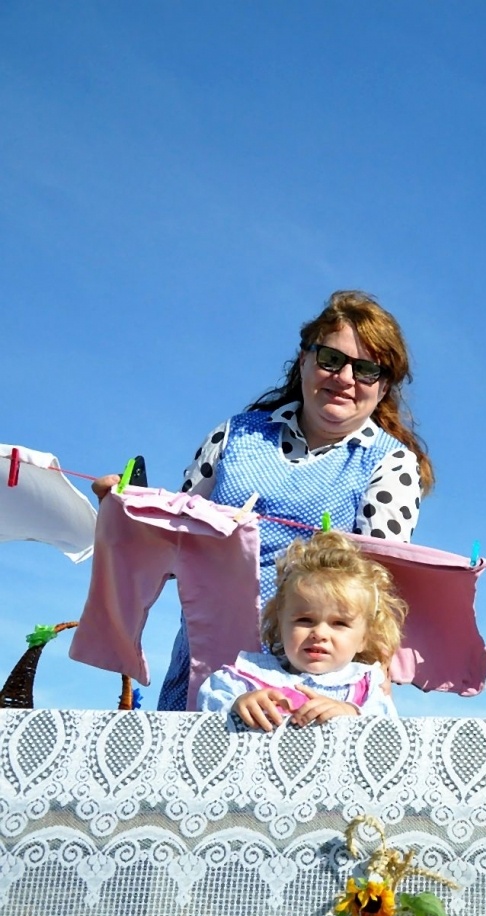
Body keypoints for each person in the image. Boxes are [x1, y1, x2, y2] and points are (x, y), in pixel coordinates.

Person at [94, 291, 431, 710]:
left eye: (365, 370)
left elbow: (377, 590)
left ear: (382, 388)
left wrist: (363, 704)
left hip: (320, 686)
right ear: (305, 360)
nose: (345, 378)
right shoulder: (233, 436)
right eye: (331, 359)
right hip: (212, 666)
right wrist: (126, 512)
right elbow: (169, 544)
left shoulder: (391, 463)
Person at [196, 531, 404, 729]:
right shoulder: (248, 677)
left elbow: (387, 734)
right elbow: (208, 704)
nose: (320, 633)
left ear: (364, 639)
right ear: (280, 625)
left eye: (339, 624)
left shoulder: (366, 686)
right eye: (305, 620)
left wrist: (351, 715)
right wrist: (238, 704)